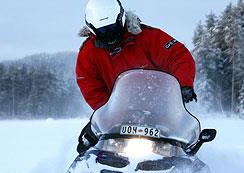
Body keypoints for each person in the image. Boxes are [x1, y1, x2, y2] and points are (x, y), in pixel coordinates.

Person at [76, 0, 197, 154]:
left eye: (112, 27)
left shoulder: (147, 37)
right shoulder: (89, 52)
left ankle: (186, 172)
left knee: (184, 148)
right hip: (119, 117)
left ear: (121, 19)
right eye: (103, 31)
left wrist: (183, 84)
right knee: (87, 147)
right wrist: (109, 113)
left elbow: (178, 56)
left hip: (161, 113)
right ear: (92, 29)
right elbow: (90, 87)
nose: (109, 34)